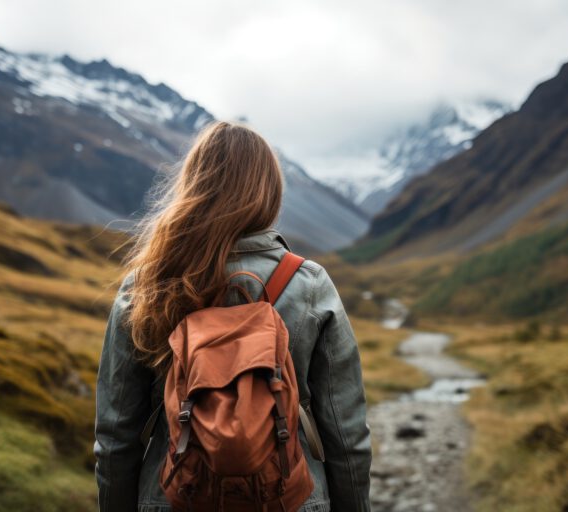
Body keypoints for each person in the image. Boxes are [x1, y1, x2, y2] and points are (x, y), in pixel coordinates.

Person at [94, 121, 372, 511]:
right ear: (268, 191)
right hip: (290, 500)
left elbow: (114, 439)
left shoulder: (148, 283)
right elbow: (346, 436)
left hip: (172, 499)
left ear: (193, 186)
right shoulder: (308, 283)